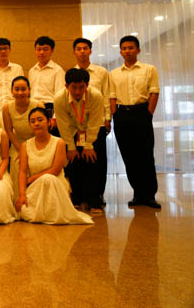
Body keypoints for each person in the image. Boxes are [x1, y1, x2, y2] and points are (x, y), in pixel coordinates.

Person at [14, 107, 93, 224]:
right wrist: (21, 195)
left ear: (49, 122)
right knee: (24, 211)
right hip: (35, 186)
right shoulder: (25, 145)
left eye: (40, 120)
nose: (36, 124)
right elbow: (22, 171)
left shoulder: (59, 142)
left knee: (48, 178)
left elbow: (55, 170)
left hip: (55, 183)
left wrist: (32, 178)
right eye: (33, 121)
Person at [110, 35, 160, 208]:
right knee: (129, 157)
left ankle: (150, 195)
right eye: (124, 48)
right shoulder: (114, 74)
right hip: (122, 115)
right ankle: (138, 194)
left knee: (146, 156)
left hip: (142, 113)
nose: (127, 51)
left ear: (138, 50)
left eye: (131, 48)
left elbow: (154, 92)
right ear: (120, 52)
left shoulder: (149, 69)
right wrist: (115, 115)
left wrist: (148, 114)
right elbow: (112, 96)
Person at [54, 68, 105, 213]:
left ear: (87, 85)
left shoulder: (96, 96)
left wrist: (89, 145)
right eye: (73, 87)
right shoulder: (59, 98)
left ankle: (94, 199)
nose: (77, 91)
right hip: (71, 132)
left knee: (92, 161)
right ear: (66, 86)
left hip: (91, 131)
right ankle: (75, 198)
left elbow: (95, 122)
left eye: (81, 87)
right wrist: (70, 147)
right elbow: (63, 124)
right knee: (72, 162)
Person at [73, 37, 111, 204]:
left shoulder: (101, 72)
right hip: (78, 125)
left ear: (90, 51)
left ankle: (97, 194)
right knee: (80, 160)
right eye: (79, 49)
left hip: (98, 123)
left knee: (98, 160)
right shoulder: (70, 73)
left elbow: (106, 95)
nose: (82, 51)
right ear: (74, 52)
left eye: (85, 48)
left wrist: (108, 118)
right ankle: (81, 194)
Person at [2, 76, 44, 198]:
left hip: (37, 142)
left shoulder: (38, 105)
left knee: (36, 163)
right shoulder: (7, 107)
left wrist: (29, 150)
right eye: (17, 89)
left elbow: (42, 130)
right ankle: (18, 198)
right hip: (18, 144)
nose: (20, 93)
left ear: (29, 90)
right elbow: (9, 131)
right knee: (17, 162)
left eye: (23, 89)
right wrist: (21, 150)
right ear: (12, 91)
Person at [28, 36, 65, 134]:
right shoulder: (32, 70)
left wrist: (55, 117)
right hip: (33, 109)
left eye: (45, 49)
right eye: (38, 49)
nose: (41, 52)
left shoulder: (58, 71)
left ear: (52, 51)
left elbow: (60, 97)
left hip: (49, 109)